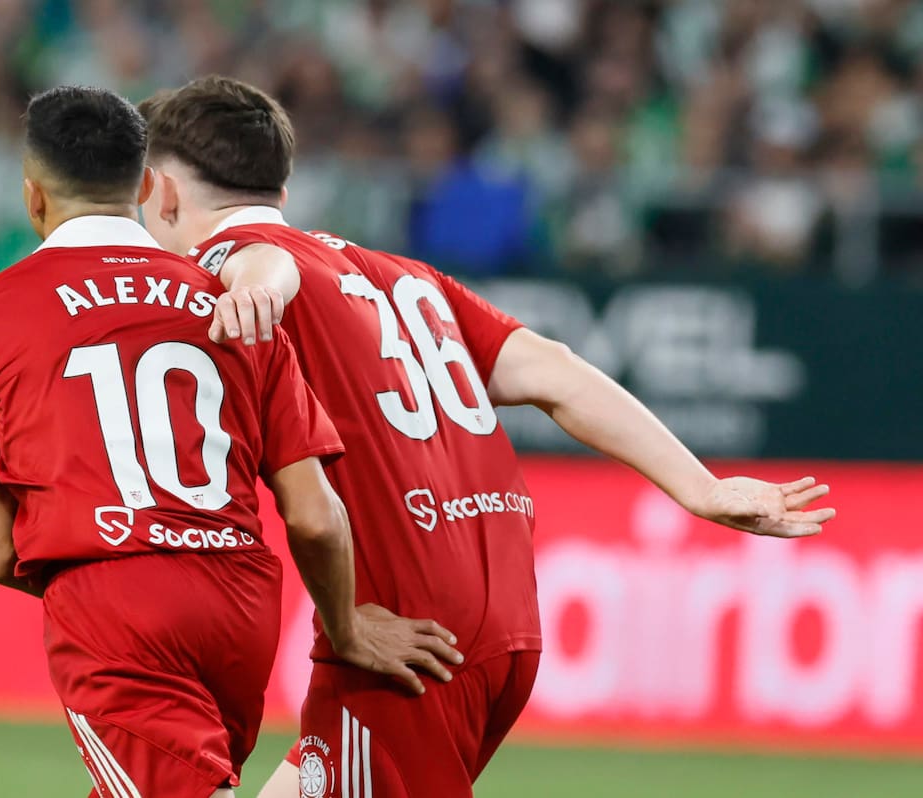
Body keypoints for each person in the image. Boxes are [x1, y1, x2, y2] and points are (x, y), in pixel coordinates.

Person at [138, 76, 837, 798]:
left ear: (161, 191)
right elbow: (557, 372)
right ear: (281, 189)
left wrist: (255, 287)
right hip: (504, 622)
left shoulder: (226, 268)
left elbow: (260, 262)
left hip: (407, 631)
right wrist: (701, 486)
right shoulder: (402, 276)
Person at [0, 85, 460, 798]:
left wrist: (112, 576)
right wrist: (345, 628)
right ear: (145, 187)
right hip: (240, 604)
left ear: (33, 196)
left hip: (114, 597)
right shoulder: (233, 306)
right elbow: (314, 514)